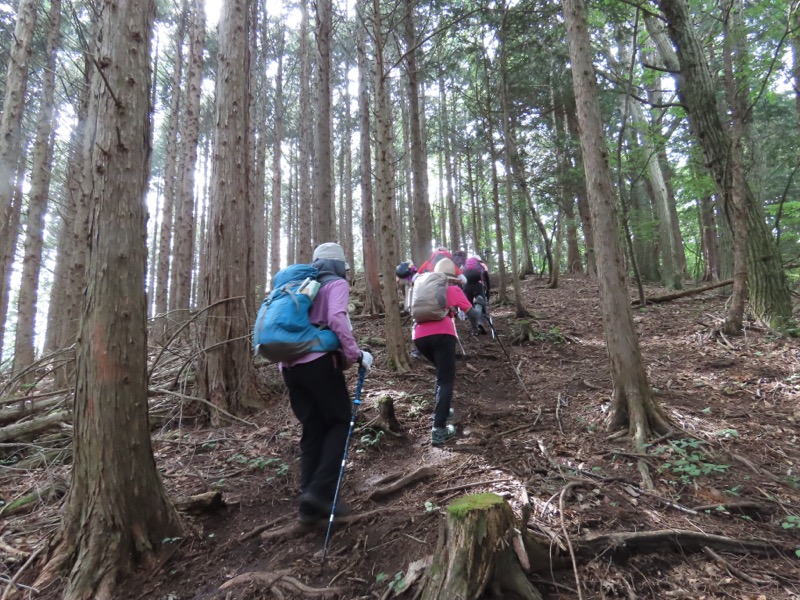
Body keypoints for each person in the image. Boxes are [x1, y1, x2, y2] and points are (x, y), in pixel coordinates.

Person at [280, 242, 374, 523]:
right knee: (340, 422)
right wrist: (356, 355)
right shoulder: (335, 285)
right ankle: (320, 493)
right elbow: (336, 317)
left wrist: (284, 366)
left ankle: (307, 506)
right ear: (337, 266)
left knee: (313, 430)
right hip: (319, 365)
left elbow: (286, 328)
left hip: (290, 368)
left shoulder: (297, 286)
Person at [412, 258, 481, 446]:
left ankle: (442, 411)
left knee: (441, 376)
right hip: (443, 335)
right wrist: (480, 304)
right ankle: (439, 430)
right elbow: (473, 315)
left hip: (419, 337)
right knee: (445, 379)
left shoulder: (425, 289)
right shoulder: (453, 290)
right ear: (453, 278)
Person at [462, 256, 491, 336]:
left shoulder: (465, 266)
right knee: (481, 302)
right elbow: (486, 277)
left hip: (467, 286)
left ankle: (474, 329)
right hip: (478, 285)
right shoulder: (482, 265)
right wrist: (488, 290)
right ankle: (481, 322)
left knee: (469, 307)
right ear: (479, 260)